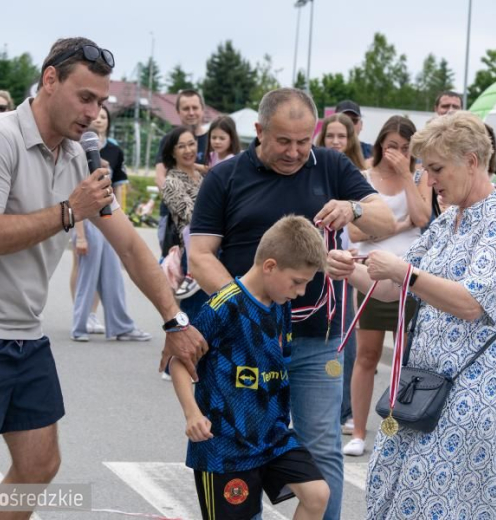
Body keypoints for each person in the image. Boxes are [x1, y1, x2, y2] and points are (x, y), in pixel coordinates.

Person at [0, 37, 206, 520]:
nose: (94, 114)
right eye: (85, 98)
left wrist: (174, 320)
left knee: (38, 466)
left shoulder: (77, 155)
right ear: (50, 80)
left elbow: (131, 248)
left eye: (101, 102)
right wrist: (70, 212)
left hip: (23, 332)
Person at [187, 88, 395, 520]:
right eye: (284, 141)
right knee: (247, 441)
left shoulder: (332, 165)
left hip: (318, 338)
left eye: (304, 141)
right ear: (259, 131)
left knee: (320, 446)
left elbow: (385, 219)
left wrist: (353, 209)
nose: (295, 152)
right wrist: (244, 310)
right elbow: (201, 254)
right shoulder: (224, 178)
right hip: (247, 344)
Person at [327, 110, 496, 518]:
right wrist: (353, 272)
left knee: (433, 494)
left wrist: (405, 272)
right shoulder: (446, 222)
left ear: (471, 161)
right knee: (392, 479)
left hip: (474, 386)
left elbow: (473, 303)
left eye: (436, 169)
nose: (429, 180)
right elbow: (391, 288)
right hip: (424, 382)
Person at [171, 216, 330, 520]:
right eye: (297, 282)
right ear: (270, 266)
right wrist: (192, 414)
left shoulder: (281, 303)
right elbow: (180, 361)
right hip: (224, 447)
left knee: (317, 493)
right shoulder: (224, 306)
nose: (300, 292)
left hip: (272, 436)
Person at [341, 116, 431, 457]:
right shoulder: (364, 177)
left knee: (407, 356)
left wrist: (408, 172)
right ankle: (359, 431)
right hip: (371, 272)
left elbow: (422, 218)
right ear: (380, 144)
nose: (397, 153)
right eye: (392, 146)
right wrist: (398, 224)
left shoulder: (420, 177)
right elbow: (357, 233)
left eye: (406, 148)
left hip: (410, 275)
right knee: (367, 354)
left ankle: (399, 425)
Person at [70, 105, 150, 342]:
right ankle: (81, 325)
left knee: (113, 274)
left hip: (109, 218)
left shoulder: (114, 150)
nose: (99, 119)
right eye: (97, 115)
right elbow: (73, 193)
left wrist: (122, 222)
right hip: (86, 220)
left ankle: (121, 326)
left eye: (104, 116)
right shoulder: (75, 149)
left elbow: (117, 190)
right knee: (87, 274)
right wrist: (81, 234)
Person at [315, 112, 366, 435]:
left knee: (345, 337)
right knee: (317, 337)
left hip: (346, 265)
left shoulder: (355, 176)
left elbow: (364, 228)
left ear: (351, 141)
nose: (335, 142)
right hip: (317, 262)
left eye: (341, 137)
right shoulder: (316, 171)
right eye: (330, 136)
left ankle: (345, 409)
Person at [154, 89, 210, 252]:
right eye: (186, 109)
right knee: (172, 268)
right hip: (174, 218)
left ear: (202, 109)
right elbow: (159, 177)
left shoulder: (214, 140)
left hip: (207, 217)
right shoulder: (168, 140)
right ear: (178, 112)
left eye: (195, 107)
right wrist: (179, 203)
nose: (191, 112)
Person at [161, 127, 204, 302]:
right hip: (188, 253)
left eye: (191, 144)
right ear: (172, 152)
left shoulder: (201, 175)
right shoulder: (172, 182)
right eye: (181, 147)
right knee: (189, 314)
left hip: (210, 247)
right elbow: (191, 215)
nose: (188, 150)